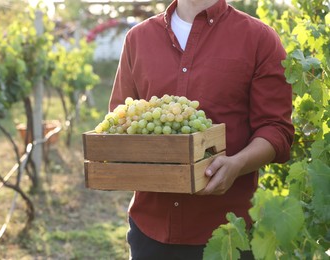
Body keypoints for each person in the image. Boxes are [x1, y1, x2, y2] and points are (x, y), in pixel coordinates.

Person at [108, 0, 295, 259]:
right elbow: (120, 120)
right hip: (148, 229)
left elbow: (276, 129)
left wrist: (237, 164)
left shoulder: (259, 39)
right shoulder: (138, 38)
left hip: (227, 234)